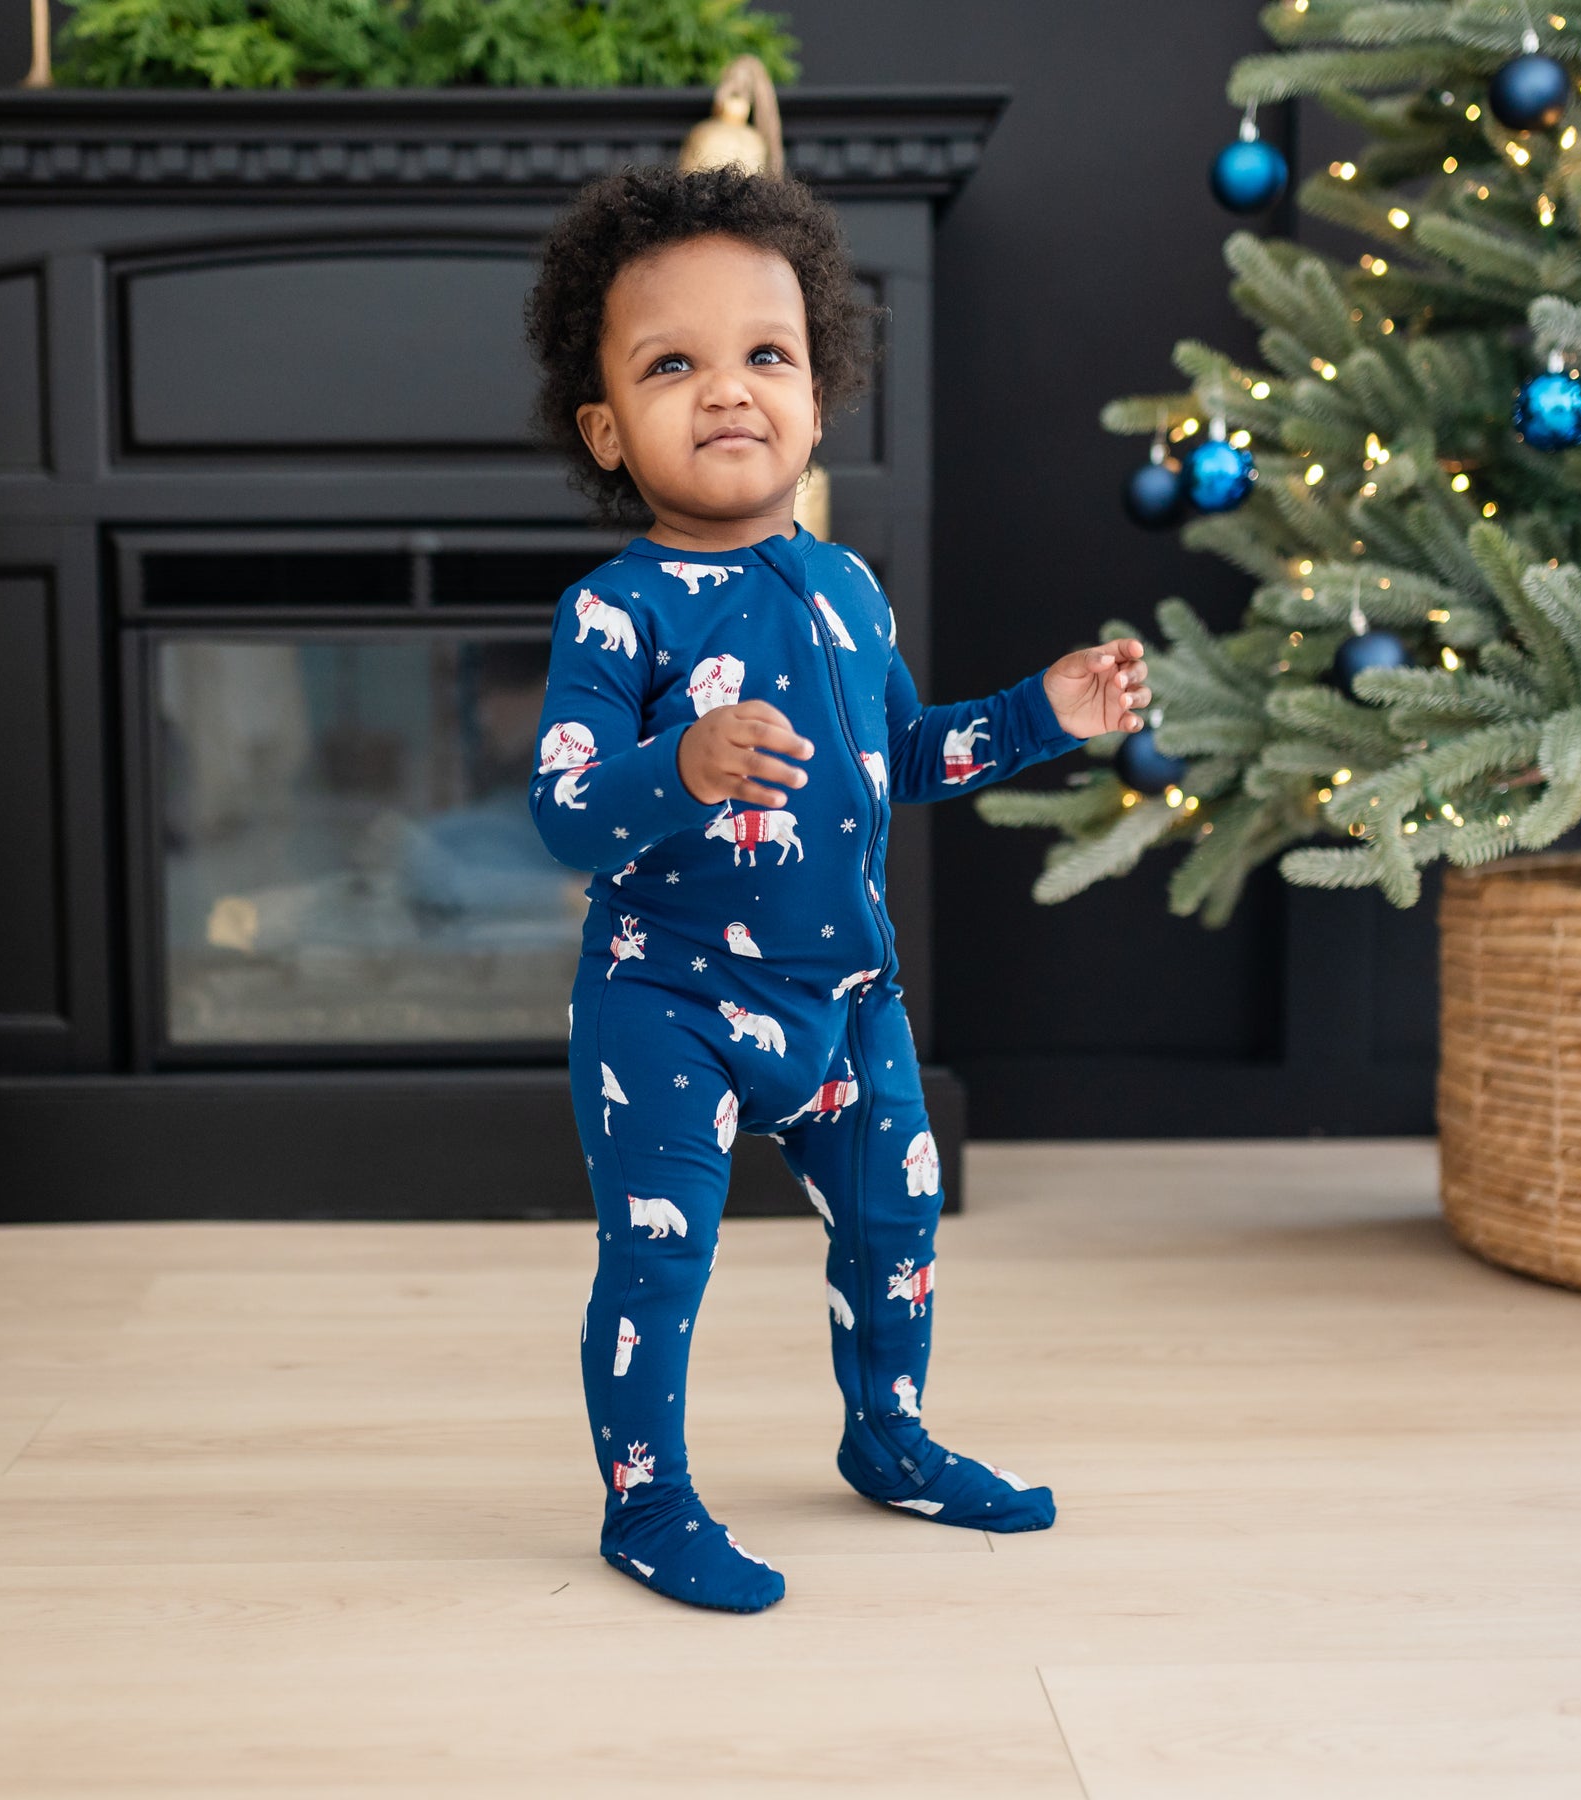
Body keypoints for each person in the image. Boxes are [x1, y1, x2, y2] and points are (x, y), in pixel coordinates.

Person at [524, 164, 1149, 1613]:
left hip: (847, 1001)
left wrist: (1044, 709)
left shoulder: (849, 589)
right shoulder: (617, 609)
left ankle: (891, 1433)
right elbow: (564, 810)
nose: (728, 390)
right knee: (660, 1258)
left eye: (767, 356)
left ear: (819, 397)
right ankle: (647, 1499)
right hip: (667, 1008)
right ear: (609, 428)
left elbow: (905, 759)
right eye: (673, 364)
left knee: (897, 1230)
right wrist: (681, 763)